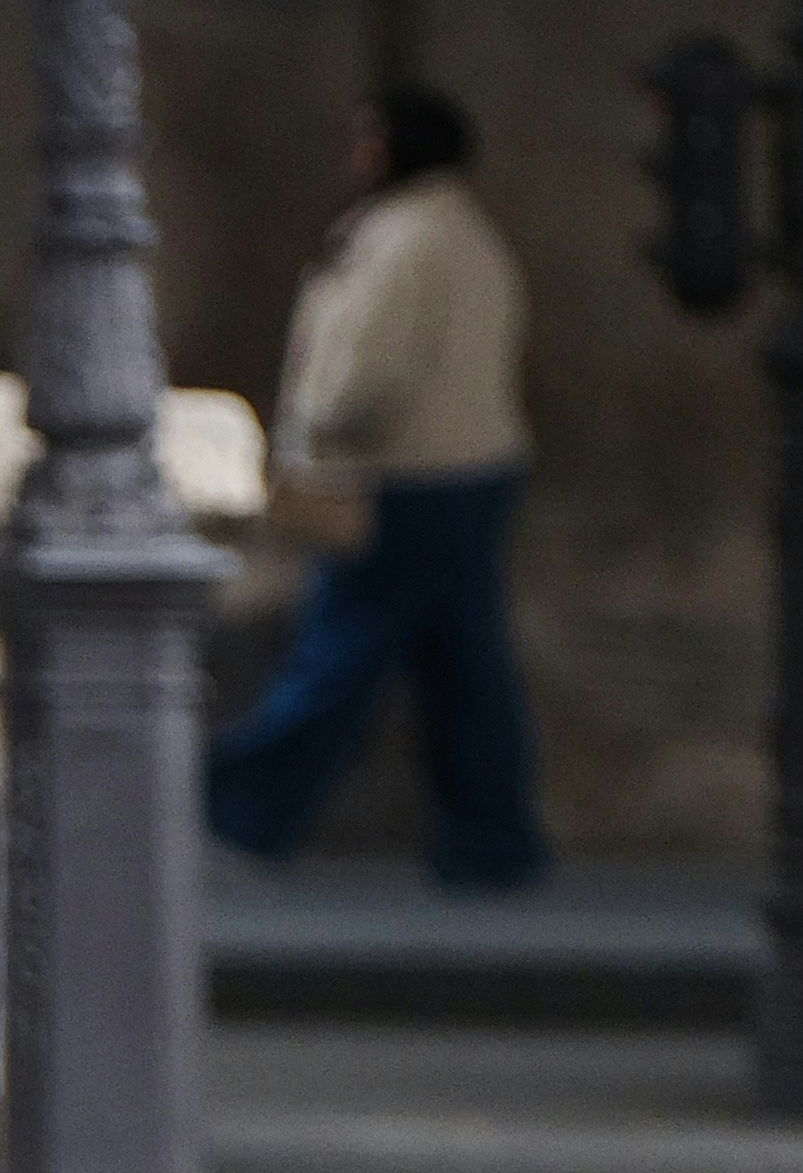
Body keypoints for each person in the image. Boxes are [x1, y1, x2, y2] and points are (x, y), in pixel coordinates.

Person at [203, 84, 548, 895]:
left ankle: (239, 809)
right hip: (467, 467)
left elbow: (365, 371)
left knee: (342, 653)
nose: (354, 156)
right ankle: (492, 842)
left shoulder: (403, 240)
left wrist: (311, 433)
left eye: (367, 140)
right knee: (461, 663)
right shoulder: (459, 230)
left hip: (408, 476)